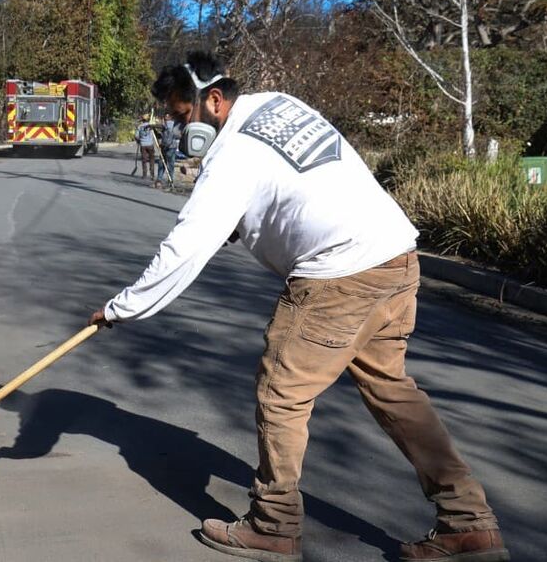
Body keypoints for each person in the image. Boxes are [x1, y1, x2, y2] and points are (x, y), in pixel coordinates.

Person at [89, 51, 507, 562]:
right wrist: (243, 223)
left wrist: (121, 309)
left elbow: (185, 248)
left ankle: (274, 524)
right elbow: (300, 184)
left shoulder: (230, 156)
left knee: (281, 394)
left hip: (338, 276)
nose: (177, 130)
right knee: (393, 391)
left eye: (181, 116)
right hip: (395, 256)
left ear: (213, 101)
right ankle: (469, 523)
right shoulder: (280, 105)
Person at [154, 112, 180, 189]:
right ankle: (165, 180)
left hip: (169, 147)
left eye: (166, 117)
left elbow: (170, 134)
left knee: (165, 164)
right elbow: (163, 135)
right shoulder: (173, 125)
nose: (165, 119)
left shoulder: (167, 124)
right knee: (167, 164)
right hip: (167, 147)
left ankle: (164, 180)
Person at [135, 114, 155, 179]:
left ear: (143, 120)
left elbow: (136, 136)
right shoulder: (151, 126)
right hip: (150, 145)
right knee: (151, 160)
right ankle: (152, 175)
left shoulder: (140, 126)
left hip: (143, 145)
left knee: (144, 160)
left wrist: (138, 141)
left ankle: (144, 175)